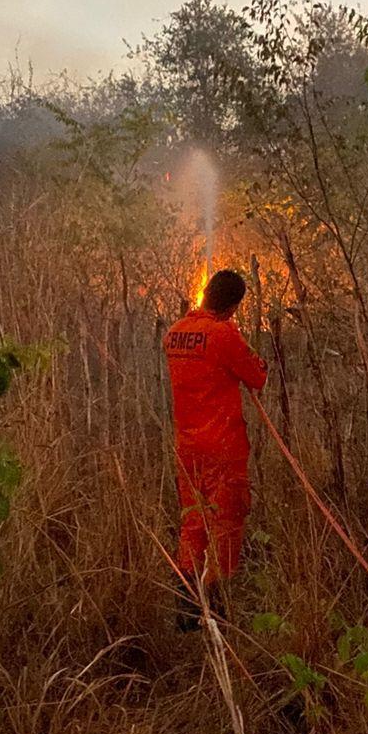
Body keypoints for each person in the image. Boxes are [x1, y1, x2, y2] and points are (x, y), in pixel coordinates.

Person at [164, 268, 268, 629]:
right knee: (226, 522)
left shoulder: (175, 334)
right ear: (233, 306)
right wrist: (238, 336)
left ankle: (186, 608)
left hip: (188, 447)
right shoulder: (224, 334)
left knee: (193, 520)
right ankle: (217, 607)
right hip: (223, 448)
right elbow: (257, 376)